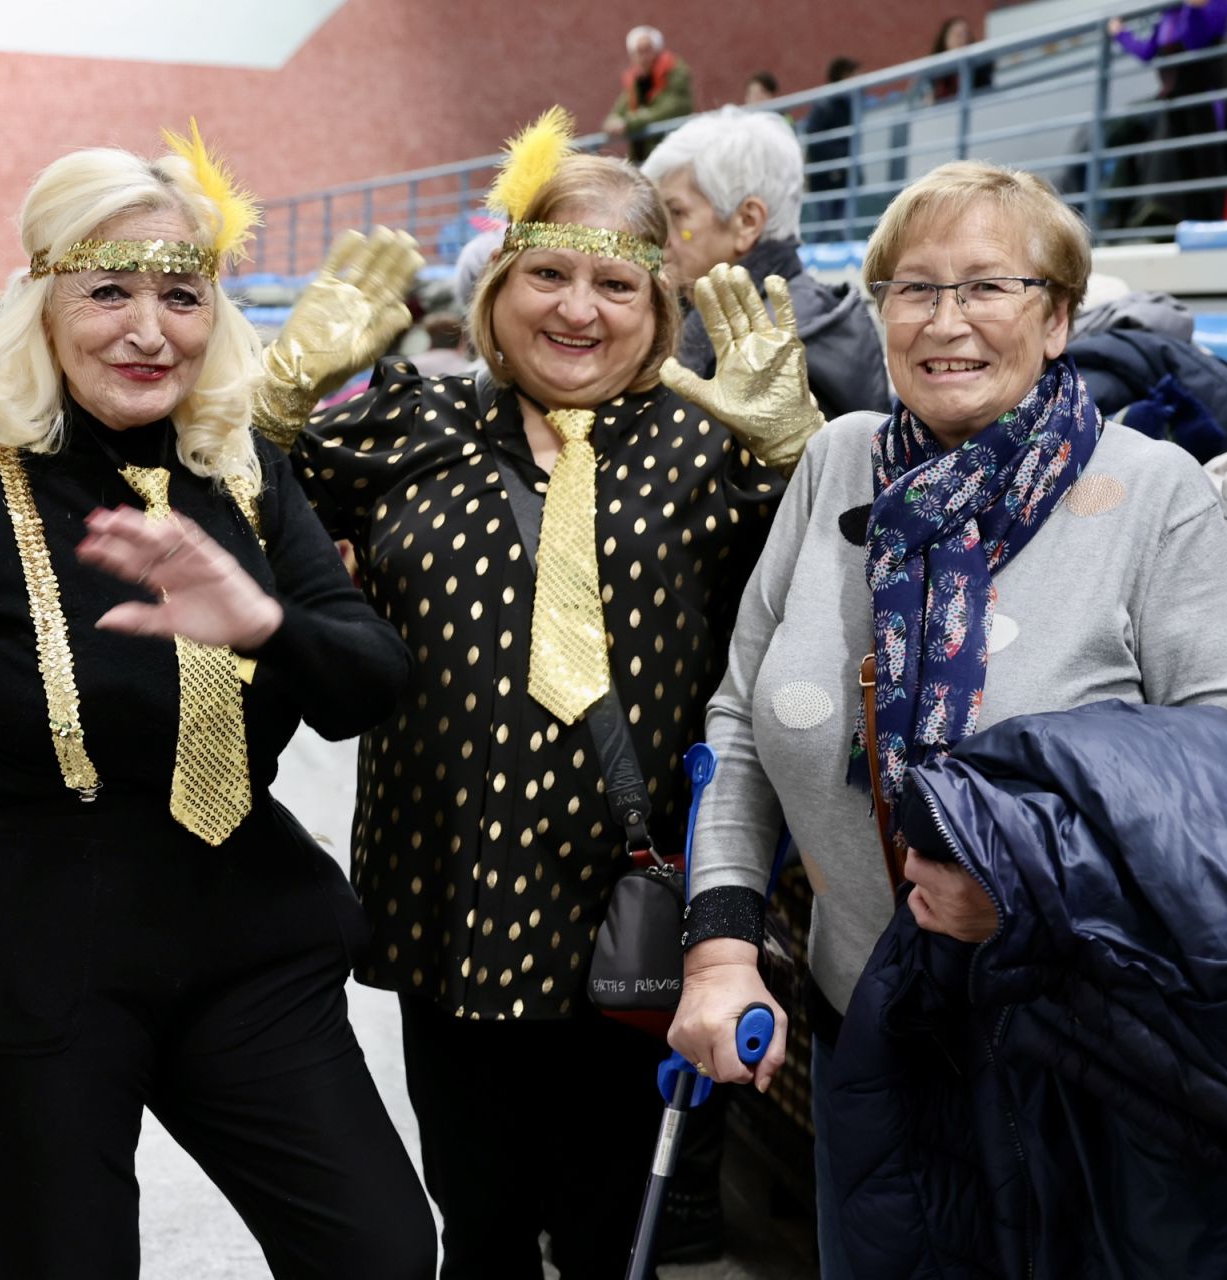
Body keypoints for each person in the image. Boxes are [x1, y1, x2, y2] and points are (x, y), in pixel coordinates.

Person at [665, 160, 1227, 1277]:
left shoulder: (1153, 494)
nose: (945, 321)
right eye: (912, 288)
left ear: (1056, 318)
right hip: (866, 1029)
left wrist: (1027, 889)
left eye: (987, 287)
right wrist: (720, 942)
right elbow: (742, 719)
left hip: (1078, 1065)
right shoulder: (835, 460)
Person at [0, 132, 436, 1279]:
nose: (147, 328)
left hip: (242, 944)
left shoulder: (242, 470)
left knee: (381, 1248)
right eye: (107, 289)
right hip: (15, 969)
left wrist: (266, 623)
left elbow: (372, 679)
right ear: (39, 302)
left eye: (180, 293)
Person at [242, 106, 823, 1278]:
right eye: (546, 272)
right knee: (479, 1221)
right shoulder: (410, 422)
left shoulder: (709, 447)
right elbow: (229, 519)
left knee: (618, 1233)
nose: (576, 306)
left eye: (616, 282)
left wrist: (794, 453)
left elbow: (821, 607)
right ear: (497, 288)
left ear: (660, 305)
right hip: (446, 904)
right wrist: (274, 400)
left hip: (628, 922)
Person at [644, 105, 889, 420]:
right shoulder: (725, 315)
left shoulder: (782, 344)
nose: (660, 235)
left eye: (676, 213)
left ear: (747, 222)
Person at [1108, 0, 1227, 224]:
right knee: (1185, 166)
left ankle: (1219, 224)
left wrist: (1194, 10)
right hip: (1175, 100)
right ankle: (1196, 225)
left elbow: (1196, 39)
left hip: (1205, 95)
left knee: (1210, 164)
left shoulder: (1216, 4)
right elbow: (1148, 52)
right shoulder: (1169, 13)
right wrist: (1121, 34)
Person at [604, 25, 695, 164]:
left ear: (657, 50)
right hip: (645, 156)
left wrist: (629, 123)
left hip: (673, 153)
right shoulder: (635, 80)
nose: (643, 57)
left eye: (647, 50)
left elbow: (672, 107)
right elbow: (619, 110)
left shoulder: (674, 71)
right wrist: (613, 122)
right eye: (638, 52)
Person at [801, 56, 862, 237]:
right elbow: (814, 141)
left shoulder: (850, 106)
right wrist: (840, 158)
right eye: (854, 75)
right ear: (844, 76)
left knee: (840, 225)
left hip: (843, 176)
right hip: (825, 178)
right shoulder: (825, 106)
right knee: (825, 225)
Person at [928, 17, 994, 103]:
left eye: (965, 33)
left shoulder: (981, 67)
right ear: (945, 39)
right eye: (956, 34)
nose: (961, 38)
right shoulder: (933, 72)